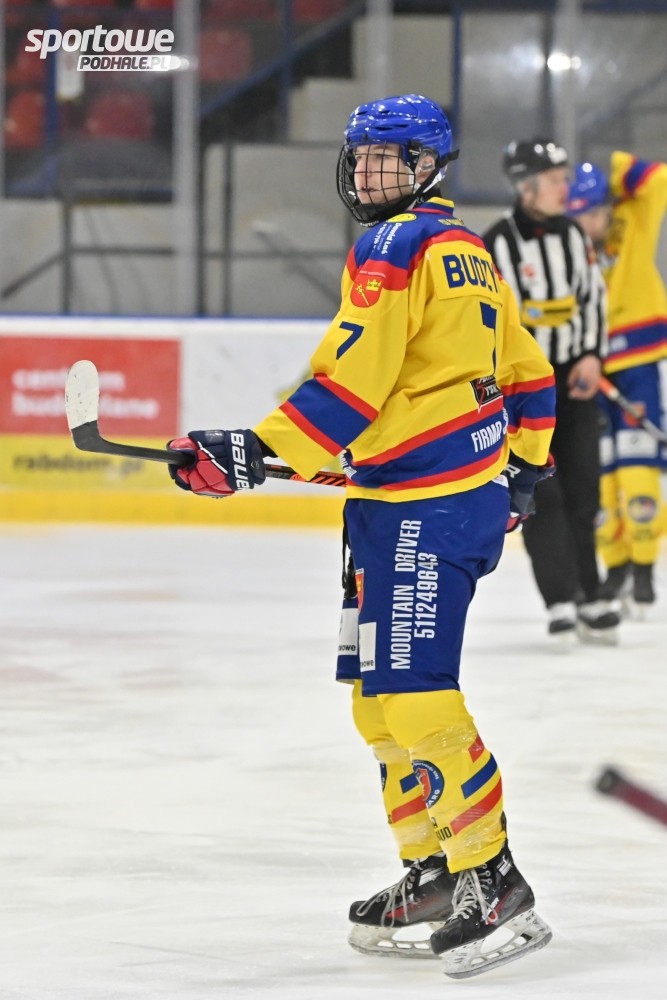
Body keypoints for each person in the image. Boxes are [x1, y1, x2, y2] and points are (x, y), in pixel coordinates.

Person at [166, 95, 556, 979]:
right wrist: (522, 474)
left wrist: (252, 449)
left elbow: (353, 381)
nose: (372, 172)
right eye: (364, 156)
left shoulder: (396, 245)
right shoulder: (467, 250)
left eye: (393, 158)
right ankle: (435, 870)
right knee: (376, 701)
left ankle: (491, 876)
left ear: (430, 167)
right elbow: (528, 377)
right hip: (402, 505)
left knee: (413, 695)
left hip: (424, 510)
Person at [483, 138, 620, 642]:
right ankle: (560, 598)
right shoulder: (495, 244)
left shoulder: (574, 235)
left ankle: (591, 593)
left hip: (575, 381)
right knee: (542, 493)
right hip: (523, 391)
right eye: (557, 180)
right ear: (527, 187)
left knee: (584, 489)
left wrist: (592, 356)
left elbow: (593, 299)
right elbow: (493, 321)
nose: (567, 188)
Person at [568, 156, 667, 609]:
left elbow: (658, 178)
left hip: (637, 364)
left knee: (637, 467)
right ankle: (617, 565)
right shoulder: (565, 244)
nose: (589, 223)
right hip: (591, 368)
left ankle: (644, 567)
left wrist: (612, 170)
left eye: (595, 211)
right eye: (580, 214)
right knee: (601, 474)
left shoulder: (632, 219)